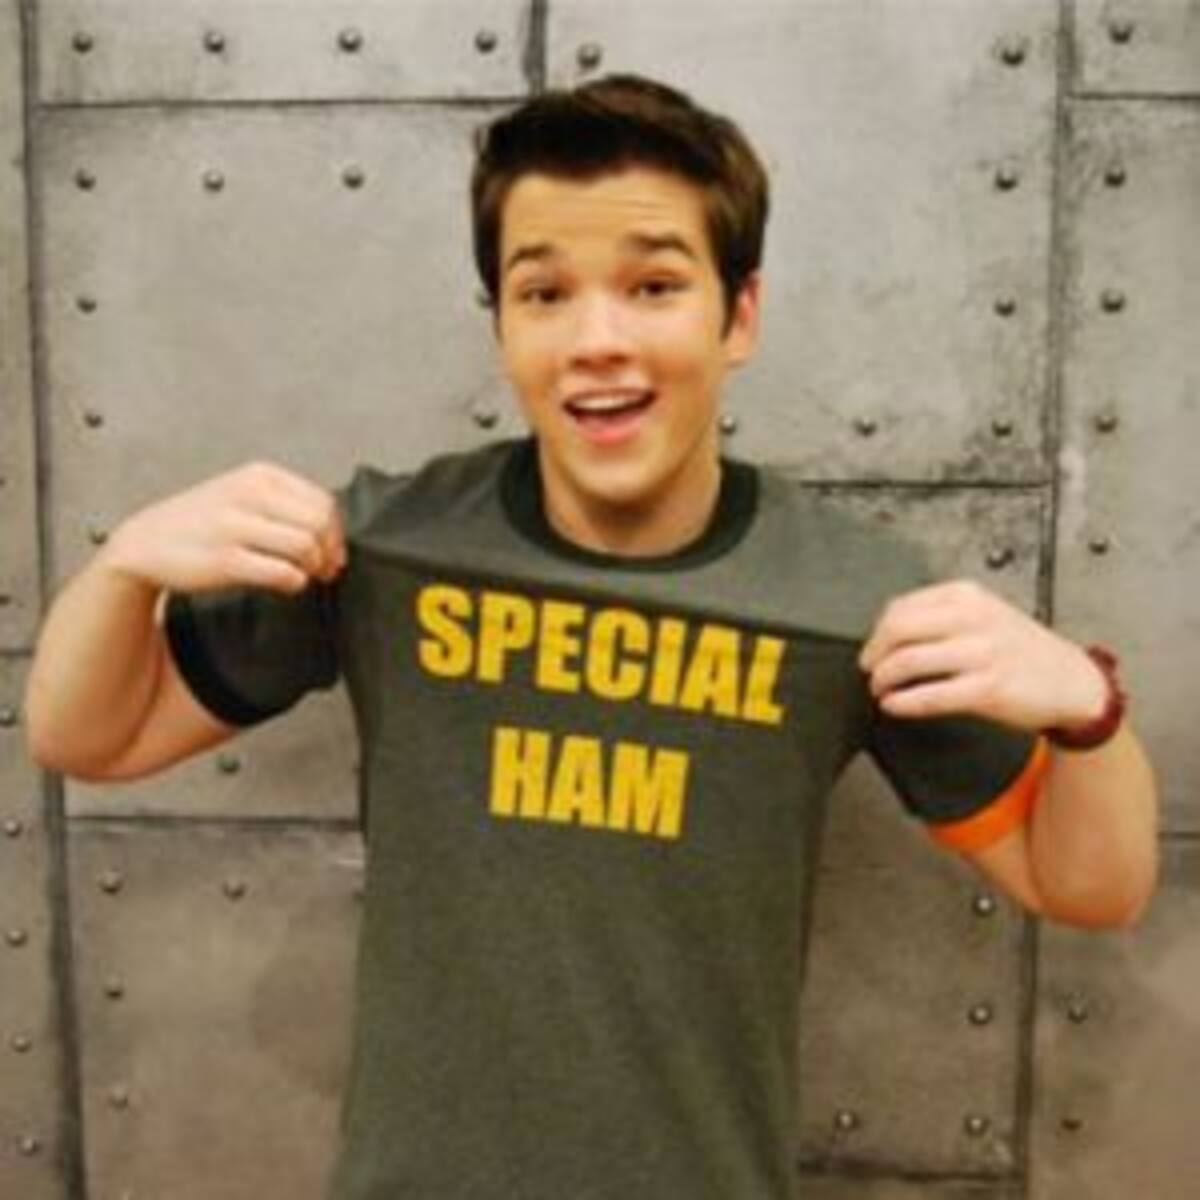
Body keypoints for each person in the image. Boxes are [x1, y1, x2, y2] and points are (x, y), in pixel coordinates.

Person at [25, 74, 1157, 1200]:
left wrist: (1087, 712)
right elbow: (88, 736)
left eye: (654, 285)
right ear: (503, 328)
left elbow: (1091, 886)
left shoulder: (849, 601)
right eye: (545, 293)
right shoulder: (383, 549)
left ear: (739, 315)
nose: (596, 340)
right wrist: (125, 568)